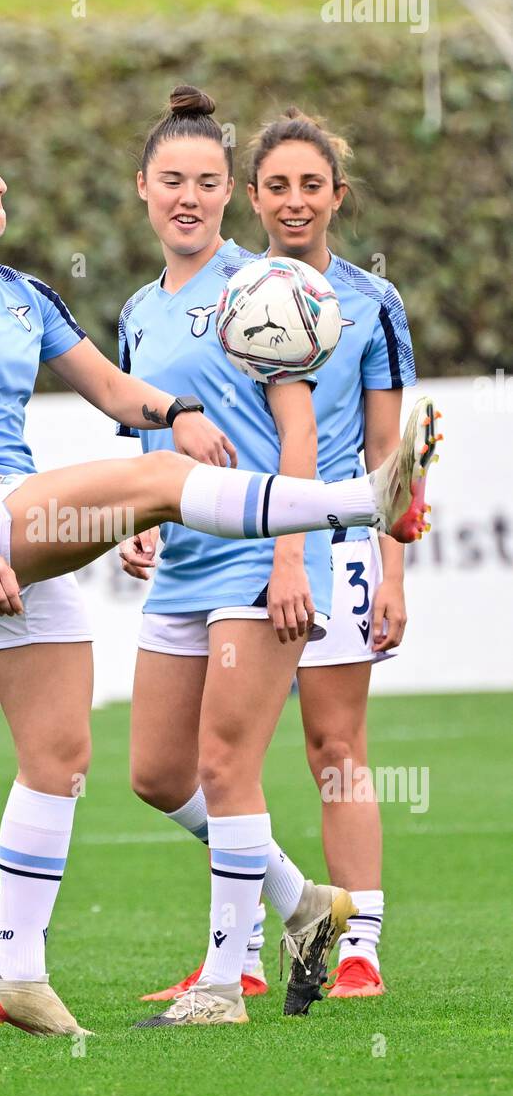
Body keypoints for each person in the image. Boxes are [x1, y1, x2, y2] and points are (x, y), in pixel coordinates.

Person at [0, 110, 437, 1037]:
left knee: (79, 760)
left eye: (211, 181)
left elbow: (123, 397)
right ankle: (361, 505)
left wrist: (178, 409)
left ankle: (25, 970)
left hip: (90, 536)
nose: (1, 180)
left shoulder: (30, 293)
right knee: (164, 482)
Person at [126, 102, 430, 1014]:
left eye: (312, 185)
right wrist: (138, 514)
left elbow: (383, 451)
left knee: (324, 748)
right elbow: (150, 428)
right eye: (277, 186)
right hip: (199, 551)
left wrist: (372, 568)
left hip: (294, 549)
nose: (294, 201)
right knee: (160, 772)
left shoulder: (305, 297)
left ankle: (299, 956)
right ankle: (298, 908)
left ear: (337, 195)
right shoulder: (145, 305)